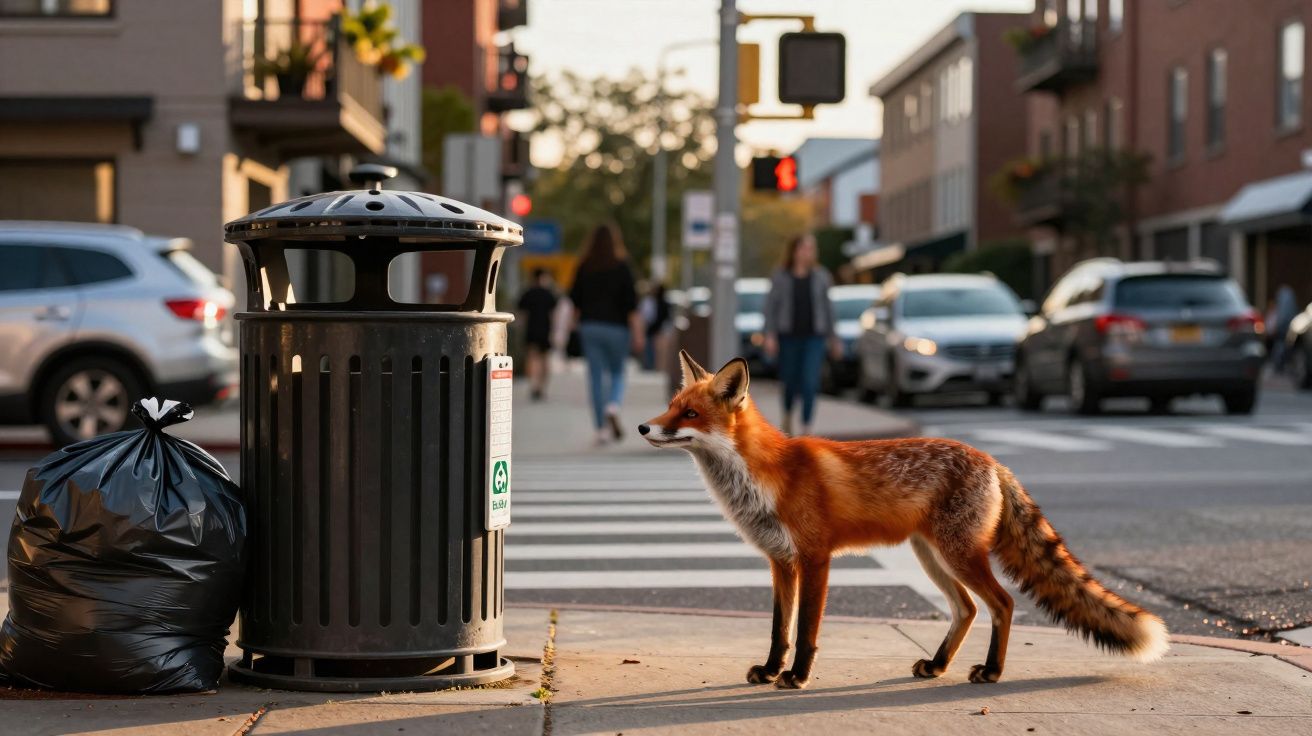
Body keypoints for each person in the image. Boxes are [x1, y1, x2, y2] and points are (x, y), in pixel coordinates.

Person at [570, 224, 644, 445]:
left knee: (595, 377)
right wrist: (638, 334)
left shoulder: (585, 266)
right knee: (618, 372)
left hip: (590, 327)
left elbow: (575, 301)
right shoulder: (622, 267)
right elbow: (631, 305)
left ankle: (601, 429)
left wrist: (572, 329)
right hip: (617, 329)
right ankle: (613, 404)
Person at [762, 233, 840, 436]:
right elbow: (771, 306)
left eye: (812, 248)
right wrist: (769, 334)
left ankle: (806, 427)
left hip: (814, 337)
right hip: (788, 336)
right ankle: (788, 414)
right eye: (806, 248)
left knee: (809, 381)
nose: (810, 252)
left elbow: (828, 308)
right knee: (789, 381)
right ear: (795, 251)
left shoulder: (821, 275)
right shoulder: (781, 275)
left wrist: (834, 338)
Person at [517, 268, 559, 401]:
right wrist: (555, 332)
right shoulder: (549, 294)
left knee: (532, 358)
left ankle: (533, 386)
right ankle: (541, 387)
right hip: (545, 331)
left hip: (531, 331)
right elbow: (554, 315)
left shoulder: (527, 293)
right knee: (545, 359)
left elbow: (522, 315)